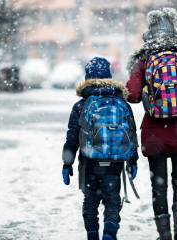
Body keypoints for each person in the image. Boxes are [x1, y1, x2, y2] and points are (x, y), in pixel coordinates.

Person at [126, 8, 177, 240]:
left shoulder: (144, 59)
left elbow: (131, 95)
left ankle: (164, 235)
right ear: (175, 31)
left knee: (159, 186)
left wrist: (144, 93)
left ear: (149, 33)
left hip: (155, 135)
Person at [62, 57, 139, 240]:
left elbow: (72, 137)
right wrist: (133, 161)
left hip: (89, 162)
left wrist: (67, 164)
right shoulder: (121, 102)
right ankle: (110, 233)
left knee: (90, 201)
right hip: (114, 161)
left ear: (87, 77)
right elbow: (132, 134)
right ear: (109, 76)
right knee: (112, 200)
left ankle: (93, 235)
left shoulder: (81, 105)